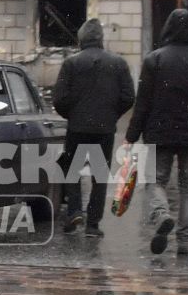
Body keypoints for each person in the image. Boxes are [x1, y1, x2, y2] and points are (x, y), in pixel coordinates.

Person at [125, 7, 188, 258]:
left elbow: (143, 102)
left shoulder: (154, 60)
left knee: (154, 181)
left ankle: (161, 214)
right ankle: (186, 242)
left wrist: (131, 136)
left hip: (159, 133)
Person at [50, 17, 135, 238]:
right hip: (104, 129)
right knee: (99, 175)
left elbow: (58, 98)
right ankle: (93, 224)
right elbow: (128, 96)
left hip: (77, 127)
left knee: (71, 170)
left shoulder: (71, 63)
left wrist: (73, 114)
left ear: (81, 39)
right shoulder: (118, 63)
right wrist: (111, 115)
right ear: (101, 38)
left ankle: (74, 212)